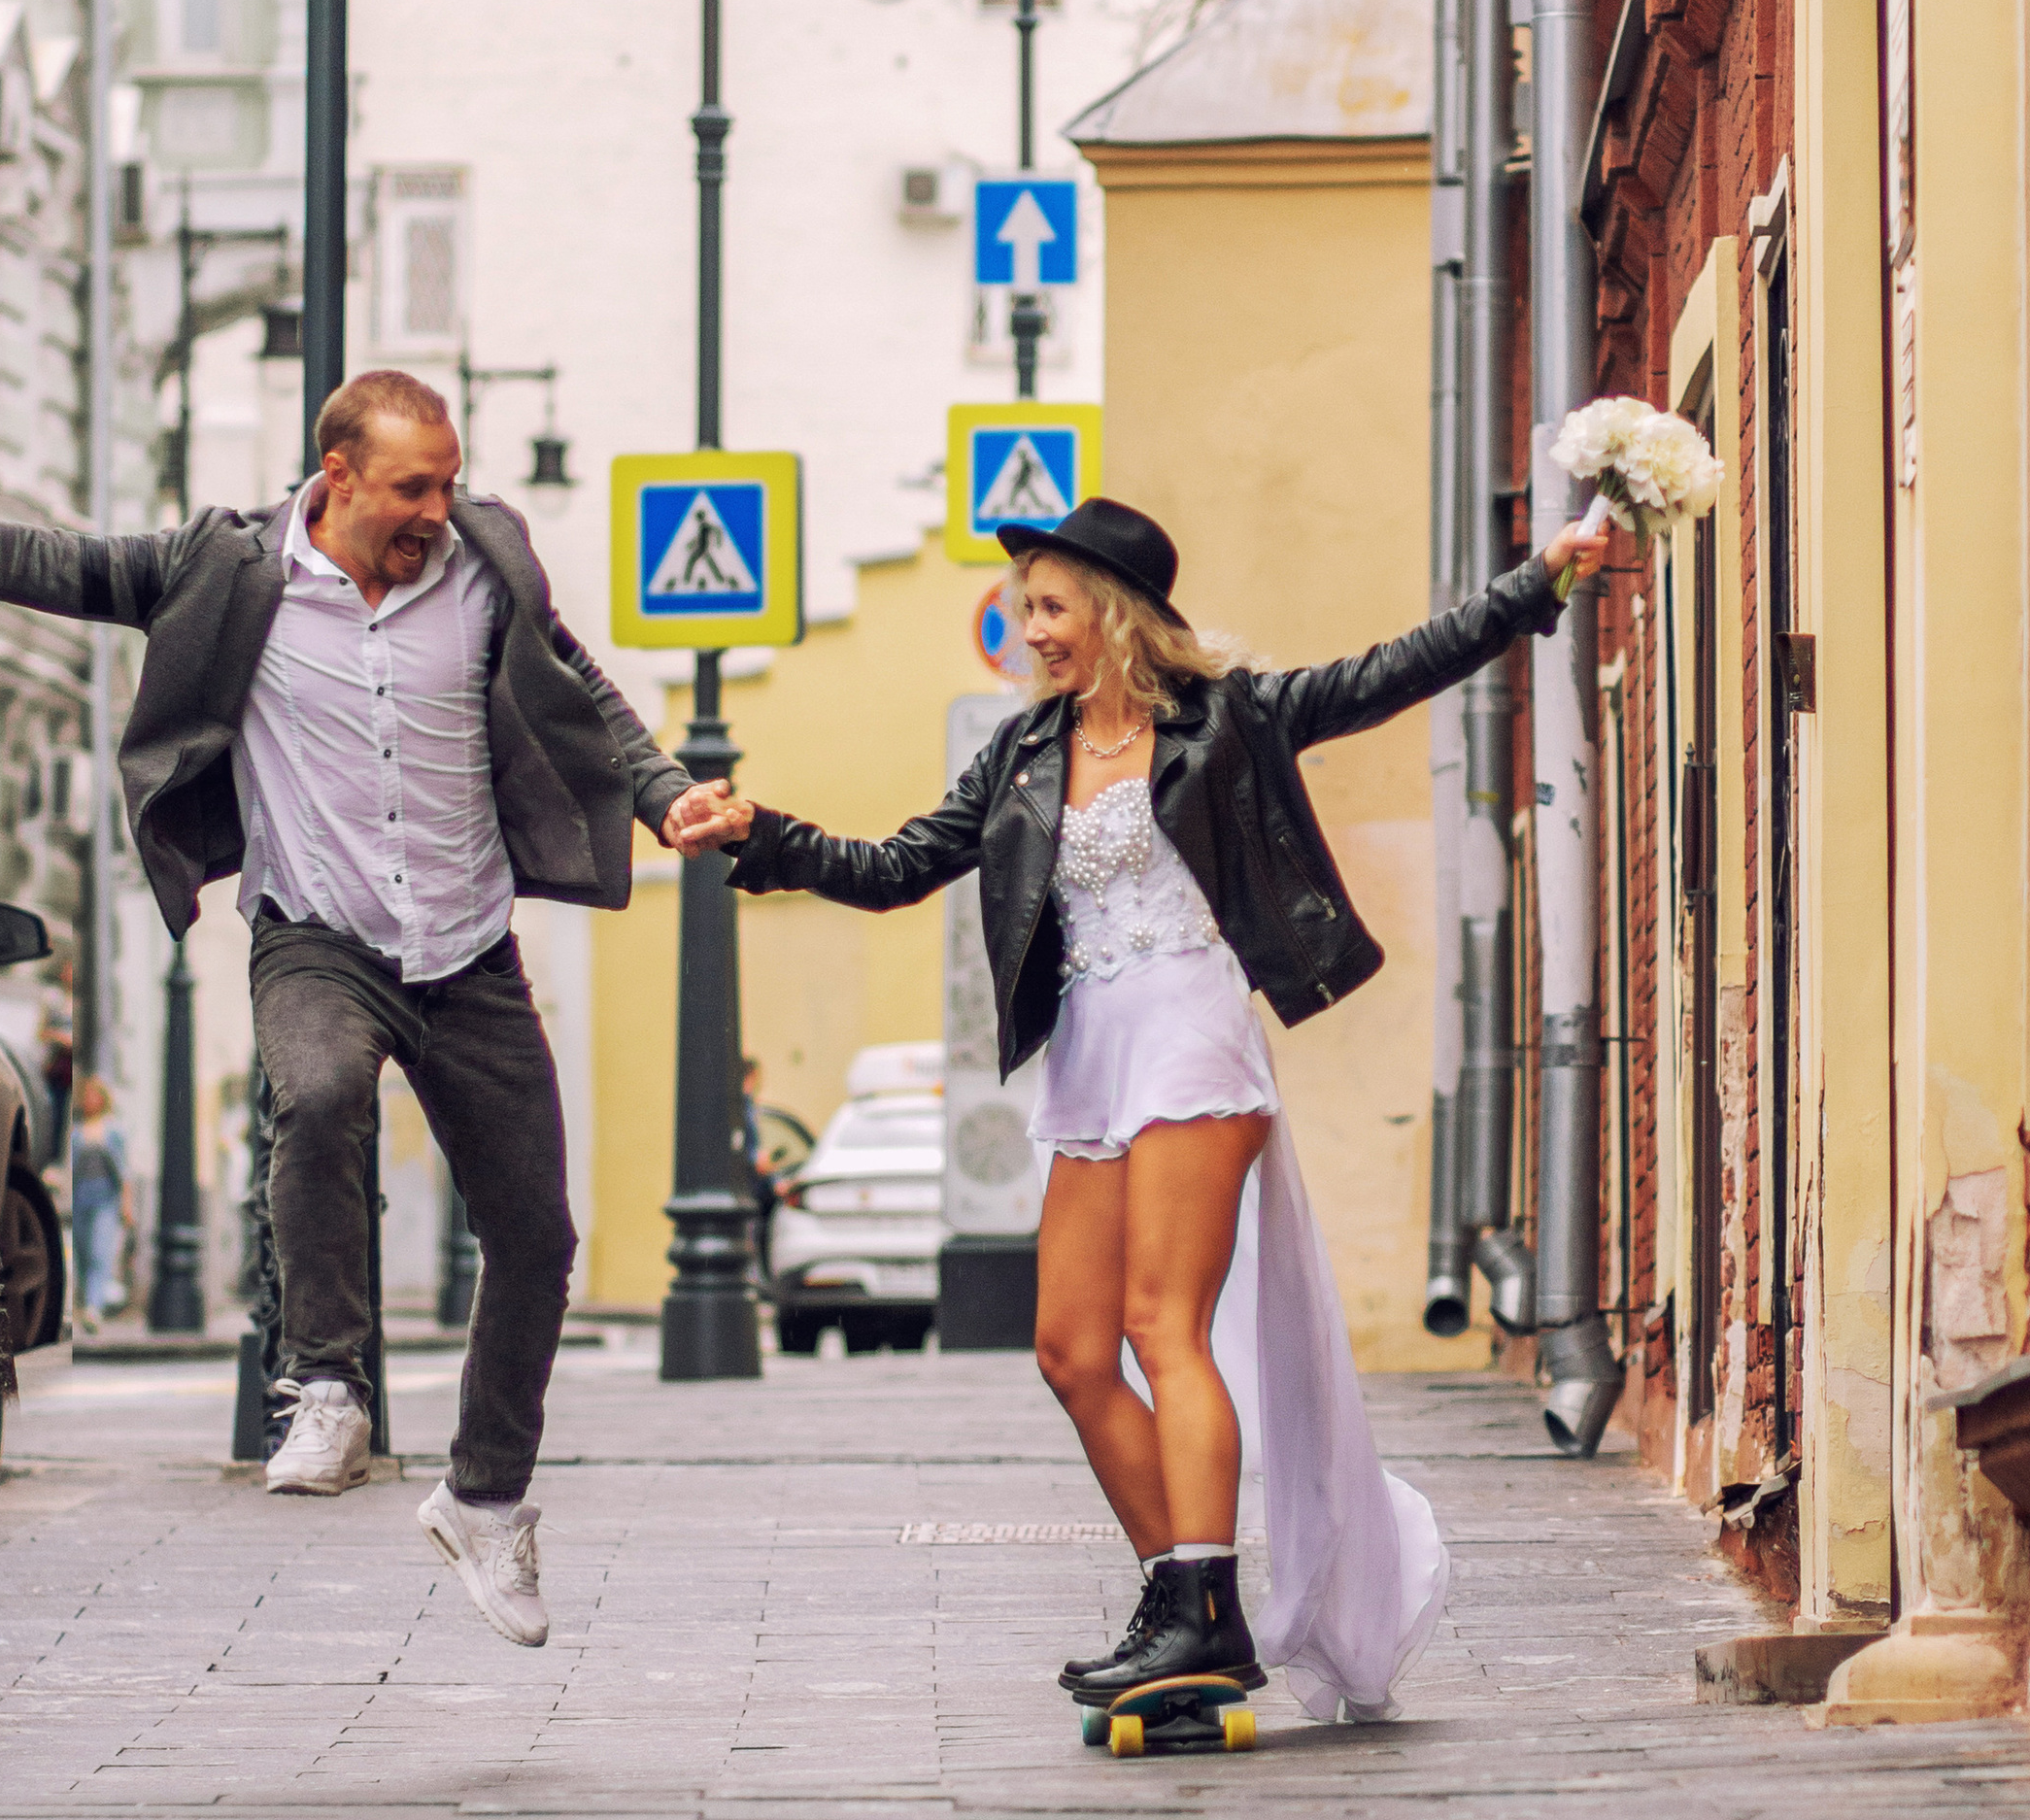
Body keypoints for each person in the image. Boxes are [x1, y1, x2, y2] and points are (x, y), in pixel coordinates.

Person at [0, 373, 735, 1645]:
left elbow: (579, 686)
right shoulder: (229, 571)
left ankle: (486, 1500)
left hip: (468, 952)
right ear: (337, 478)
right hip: (317, 938)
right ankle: (323, 1384)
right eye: (413, 488)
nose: (439, 509)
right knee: (317, 1095)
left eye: (448, 481)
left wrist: (663, 793)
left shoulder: (486, 565)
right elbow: (50, 565)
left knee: (537, 1240)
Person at [676, 494, 1608, 1721]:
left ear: (1115, 612)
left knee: (1163, 1326)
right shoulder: (1022, 753)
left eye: (1049, 607)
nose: (1029, 632)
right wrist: (760, 833)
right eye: (1023, 610)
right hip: (1089, 1055)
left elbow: (1392, 671)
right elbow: (897, 867)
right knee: (1070, 1349)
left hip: (1189, 1037)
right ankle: (1184, 1604)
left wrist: (1539, 580)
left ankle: (1202, 1610)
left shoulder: (1227, 717)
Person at [67, 1073, 132, 1334]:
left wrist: (126, 1205)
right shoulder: (77, 1132)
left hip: (105, 1198)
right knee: (82, 1255)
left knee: (99, 1252)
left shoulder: (113, 1131)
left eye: (94, 1095)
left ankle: (93, 1308)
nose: (89, 1100)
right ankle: (88, 1303)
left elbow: (123, 1172)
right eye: (87, 1095)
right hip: (81, 1197)